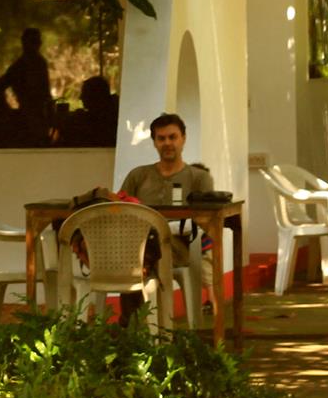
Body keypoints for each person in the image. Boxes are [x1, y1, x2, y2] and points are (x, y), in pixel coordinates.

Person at [117, 113, 215, 317]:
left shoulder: (199, 178)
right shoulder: (138, 175)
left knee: (135, 260)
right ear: (154, 142)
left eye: (172, 137)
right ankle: (136, 328)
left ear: (183, 138)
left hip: (178, 249)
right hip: (137, 247)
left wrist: (162, 229)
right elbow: (121, 212)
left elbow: (204, 223)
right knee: (127, 256)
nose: (167, 143)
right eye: (161, 138)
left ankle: (131, 327)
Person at [0, 27, 54, 145]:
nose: (36, 45)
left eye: (36, 41)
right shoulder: (21, 66)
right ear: (24, 43)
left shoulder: (36, 63)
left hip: (37, 116)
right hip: (29, 117)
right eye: (33, 41)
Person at [62, 75, 119, 147]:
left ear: (96, 96)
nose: (81, 97)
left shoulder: (106, 121)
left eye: (85, 93)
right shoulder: (106, 115)